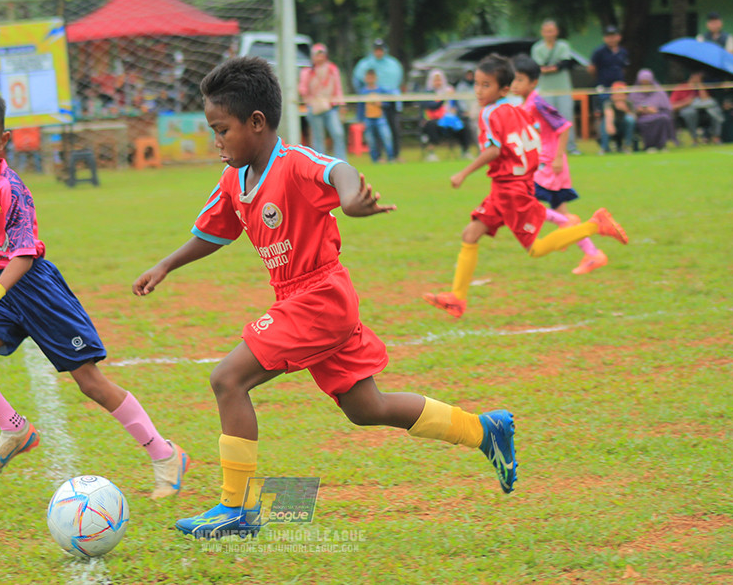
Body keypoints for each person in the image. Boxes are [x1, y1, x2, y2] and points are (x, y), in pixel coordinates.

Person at [133, 56, 519, 539]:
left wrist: (352, 199)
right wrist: (166, 264)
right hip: (305, 301)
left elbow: (339, 170)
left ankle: (238, 508)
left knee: (228, 379)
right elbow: (213, 232)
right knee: (367, 407)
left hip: (318, 296)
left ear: (257, 122)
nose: (217, 142)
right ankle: (484, 431)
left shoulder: (293, 164)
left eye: (222, 130)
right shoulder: (234, 178)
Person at [0, 88, 187, 497]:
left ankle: (165, 454)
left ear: (3, 140)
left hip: (37, 290)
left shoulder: (12, 189)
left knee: (90, 382)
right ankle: (15, 430)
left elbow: (25, 254)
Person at [422, 55, 629, 318]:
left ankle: (595, 225)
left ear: (503, 89)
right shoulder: (516, 109)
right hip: (510, 187)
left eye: (486, 85)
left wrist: (463, 173)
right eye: (477, 84)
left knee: (535, 249)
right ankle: (457, 298)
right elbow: (532, 142)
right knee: (470, 234)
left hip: (510, 191)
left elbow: (494, 150)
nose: (479, 91)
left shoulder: (489, 113)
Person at [510, 56, 608, 276]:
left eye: (520, 80)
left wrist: (557, 157)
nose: (515, 84)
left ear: (533, 83)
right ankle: (593, 254)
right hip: (541, 163)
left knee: (524, 200)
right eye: (513, 80)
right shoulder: (525, 104)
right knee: (558, 209)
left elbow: (563, 127)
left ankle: (569, 223)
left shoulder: (537, 103)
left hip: (549, 164)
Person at [531, 20, 579, 154]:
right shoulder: (537, 48)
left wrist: (549, 69)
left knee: (566, 118)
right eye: (546, 31)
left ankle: (570, 147)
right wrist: (553, 68)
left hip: (563, 89)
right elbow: (537, 67)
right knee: (546, 120)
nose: (549, 34)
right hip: (545, 91)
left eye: (551, 31)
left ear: (556, 32)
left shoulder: (563, 45)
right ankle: (549, 148)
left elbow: (564, 63)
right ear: (542, 32)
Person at [352, 39, 404, 157]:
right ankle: (378, 156)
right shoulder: (365, 64)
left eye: (381, 50)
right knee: (374, 132)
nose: (379, 52)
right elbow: (358, 81)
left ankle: (394, 155)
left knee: (393, 129)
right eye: (376, 50)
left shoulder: (393, 64)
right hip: (372, 103)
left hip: (390, 101)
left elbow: (397, 81)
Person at [298, 43, 346, 160]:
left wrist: (341, 104)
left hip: (331, 106)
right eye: (317, 55)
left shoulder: (332, 69)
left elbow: (338, 88)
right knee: (318, 137)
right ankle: (321, 162)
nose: (320, 58)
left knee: (338, 133)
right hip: (314, 107)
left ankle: (341, 160)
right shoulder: (307, 71)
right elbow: (302, 89)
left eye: (322, 54)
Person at [418, 69, 468, 161]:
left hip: (449, 119)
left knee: (464, 124)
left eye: (439, 80)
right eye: (436, 80)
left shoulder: (449, 90)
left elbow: (456, 106)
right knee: (431, 125)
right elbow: (431, 106)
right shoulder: (427, 93)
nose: (438, 82)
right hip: (433, 119)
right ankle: (431, 153)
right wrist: (443, 98)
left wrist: (456, 111)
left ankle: (465, 151)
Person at [589, 26, 630, 125]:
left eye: (613, 36)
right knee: (603, 108)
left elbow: (624, 68)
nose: (611, 39)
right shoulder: (599, 52)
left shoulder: (623, 52)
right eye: (609, 36)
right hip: (604, 86)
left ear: (619, 37)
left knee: (622, 109)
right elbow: (592, 69)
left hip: (619, 87)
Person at [669, 71, 724, 145]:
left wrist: (699, 84)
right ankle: (694, 139)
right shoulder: (681, 88)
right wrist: (686, 103)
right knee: (690, 113)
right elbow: (672, 106)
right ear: (692, 76)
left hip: (703, 114)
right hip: (686, 115)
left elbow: (706, 100)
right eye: (697, 76)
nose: (699, 78)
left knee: (715, 110)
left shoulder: (700, 87)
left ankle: (716, 138)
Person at [630, 69, 676, 152]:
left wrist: (655, 111)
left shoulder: (659, 92)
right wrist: (639, 110)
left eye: (647, 82)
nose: (645, 85)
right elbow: (630, 108)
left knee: (663, 119)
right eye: (642, 82)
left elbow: (667, 108)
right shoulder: (634, 93)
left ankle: (662, 145)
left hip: (658, 115)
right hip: (642, 118)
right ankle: (649, 146)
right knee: (643, 123)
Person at [356, 69, 395, 162]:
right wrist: (360, 120)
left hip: (380, 118)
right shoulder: (363, 92)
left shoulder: (381, 90)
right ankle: (375, 159)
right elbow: (360, 107)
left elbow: (388, 103)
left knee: (386, 137)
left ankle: (391, 157)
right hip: (368, 118)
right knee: (371, 141)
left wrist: (381, 104)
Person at [602, 82, 638, 153]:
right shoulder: (609, 103)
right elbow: (608, 115)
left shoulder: (629, 103)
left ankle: (627, 146)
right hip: (613, 125)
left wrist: (625, 109)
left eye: (621, 94)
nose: (619, 96)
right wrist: (610, 124)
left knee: (630, 119)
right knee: (604, 123)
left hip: (624, 126)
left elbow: (634, 118)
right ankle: (605, 148)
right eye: (616, 93)